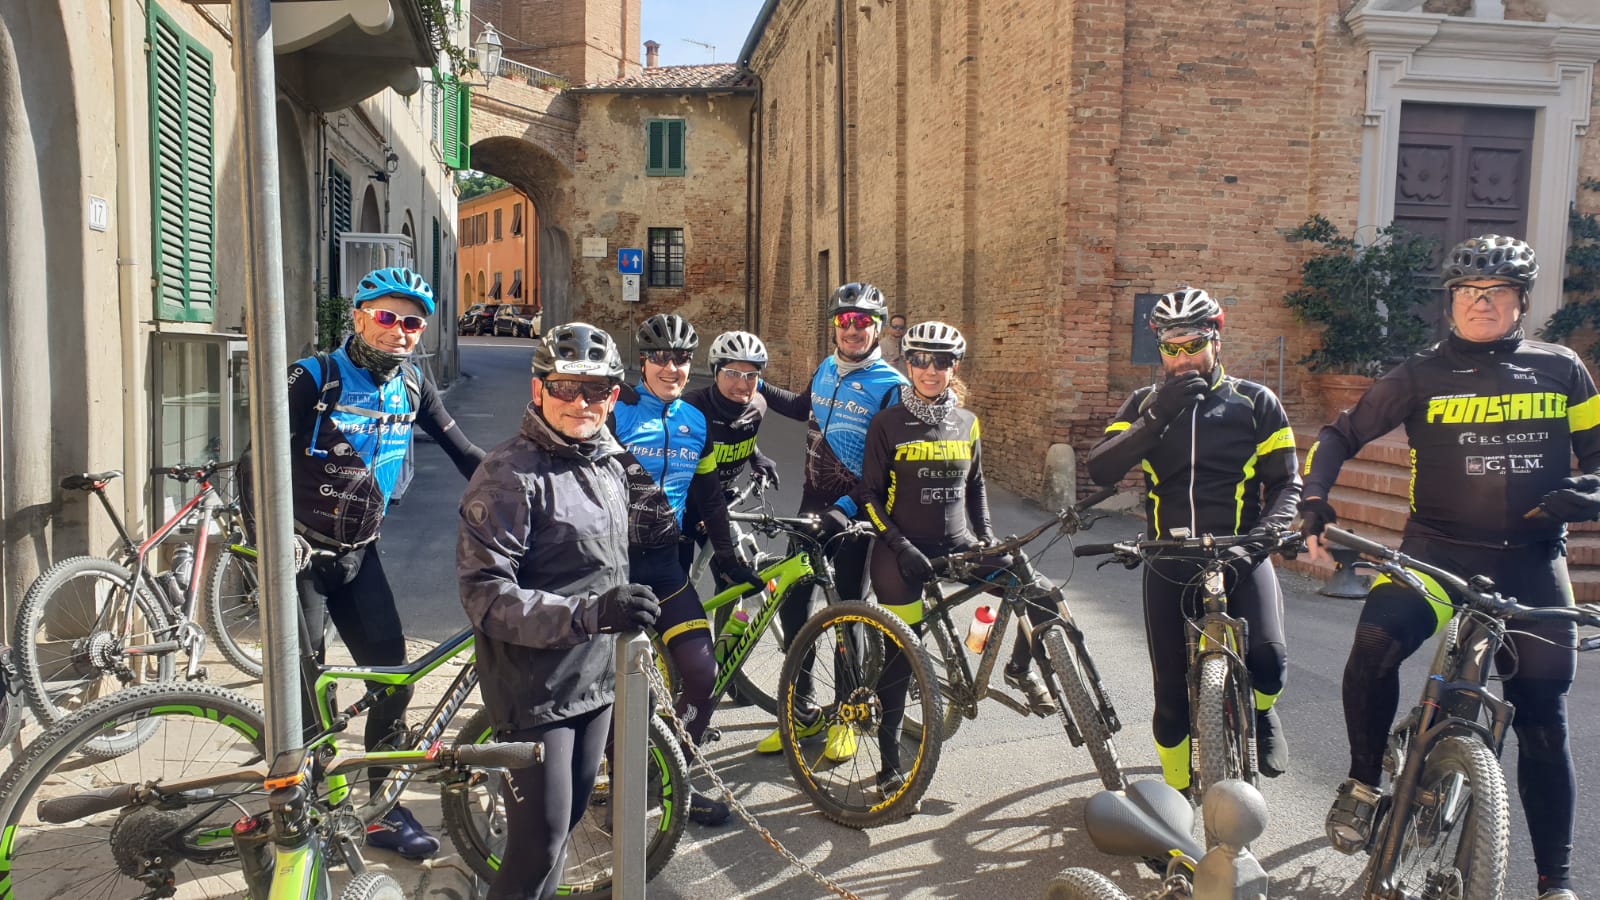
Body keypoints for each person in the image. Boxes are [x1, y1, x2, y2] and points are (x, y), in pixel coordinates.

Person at [1300, 235, 1600, 900]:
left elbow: (1598, 453)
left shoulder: (1562, 369)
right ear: (1450, 302)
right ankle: (1361, 782)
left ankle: (1557, 881)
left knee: (1545, 716)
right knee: (1375, 644)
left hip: (1532, 560)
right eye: (1467, 293)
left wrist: (1593, 489)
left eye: (1495, 293)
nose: (1480, 304)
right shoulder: (1418, 374)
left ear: (1522, 301)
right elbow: (1340, 434)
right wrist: (1315, 499)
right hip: (1433, 555)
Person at [277, 266, 485, 858]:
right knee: (304, 691)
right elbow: (255, 460)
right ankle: (300, 810)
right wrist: (267, 540)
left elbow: (466, 452)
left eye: (413, 322)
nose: (401, 331)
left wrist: (534, 489)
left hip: (358, 554)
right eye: (388, 317)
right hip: (299, 553)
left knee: (392, 677)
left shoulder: (413, 385)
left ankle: (381, 812)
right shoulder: (313, 377)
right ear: (360, 315)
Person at [457, 323, 660, 900]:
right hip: (533, 686)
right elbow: (485, 595)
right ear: (538, 388)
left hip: (594, 678)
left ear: (614, 397)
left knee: (564, 829)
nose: (581, 402)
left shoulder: (607, 461)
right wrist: (592, 614)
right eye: (567, 387)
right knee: (538, 843)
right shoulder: (509, 475)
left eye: (596, 391)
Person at [1085, 286, 1299, 798]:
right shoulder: (1144, 403)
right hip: (1169, 555)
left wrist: (1266, 536)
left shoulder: (1255, 401)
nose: (1181, 358)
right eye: (1170, 347)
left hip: (1241, 550)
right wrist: (1157, 417)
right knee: (1169, 699)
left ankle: (1264, 715)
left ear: (1216, 339)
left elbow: (1287, 482)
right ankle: (1176, 800)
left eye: (1193, 345)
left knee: (1269, 660)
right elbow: (1101, 468)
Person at [857, 321, 1032, 793]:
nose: (930, 370)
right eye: (920, 360)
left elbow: (975, 487)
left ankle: (1019, 668)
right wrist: (900, 546)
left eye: (941, 362)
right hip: (901, 552)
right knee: (901, 654)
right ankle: (892, 760)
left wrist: (988, 538)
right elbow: (869, 496)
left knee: (1029, 587)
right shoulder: (887, 423)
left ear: (954, 367)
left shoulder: (967, 422)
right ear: (907, 364)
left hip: (956, 545)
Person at [609, 313, 762, 826]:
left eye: (680, 359)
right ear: (643, 361)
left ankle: (667, 779)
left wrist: (728, 556)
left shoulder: (695, 421)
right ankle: (614, 783)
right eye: (660, 358)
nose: (671, 367)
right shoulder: (618, 411)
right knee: (613, 684)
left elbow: (709, 498)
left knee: (699, 673)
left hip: (664, 562)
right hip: (609, 565)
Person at [754, 283, 909, 756]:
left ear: (879, 328)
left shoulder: (890, 387)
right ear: (834, 327)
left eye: (863, 322)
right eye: (845, 321)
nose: (853, 330)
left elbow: (886, 471)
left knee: (847, 613)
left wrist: (851, 509)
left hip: (856, 514)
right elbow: (803, 408)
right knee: (795, 604)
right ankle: (801, 712)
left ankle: (850, 714)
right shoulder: (826, 367)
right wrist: (751, 381)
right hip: (810, 504)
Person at [678, 331, 783, 579]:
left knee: (732, 581)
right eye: (732, 373)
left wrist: (756, 456)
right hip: (684, 510)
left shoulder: (758, 405)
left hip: (720, 504)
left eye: (751, 375)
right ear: (715, 372)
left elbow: (736, 434)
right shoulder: (692, 408)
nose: (742, 384)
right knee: (679, 589)